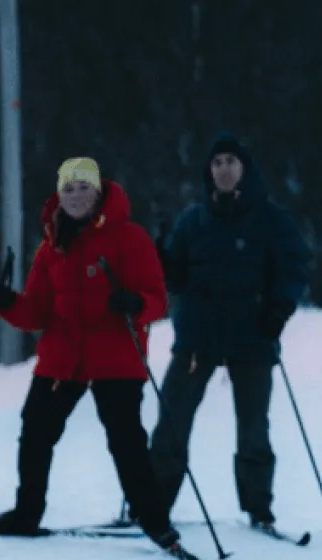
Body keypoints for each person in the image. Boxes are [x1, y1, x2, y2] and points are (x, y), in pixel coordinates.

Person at [0, 157, 194, 556]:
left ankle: (156, 524)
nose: (75, 196)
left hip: (116, 357)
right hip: (63, 357)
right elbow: (37, 313)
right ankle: (27, 514)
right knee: (36, 431)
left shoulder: (130, 238)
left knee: (126, 442)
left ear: (98, 192)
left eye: (83, 187)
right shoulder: (51, 246)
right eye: (68, 188)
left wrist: (135, 303)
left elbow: (157, 300)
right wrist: (7, 302)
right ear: (59, 195)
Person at [146, 134, 312, 528]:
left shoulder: (271, 219)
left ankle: (258, 508)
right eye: (217, 162)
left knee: (254, 427)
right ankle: (154, 502)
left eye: (231, 162)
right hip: (197, 338)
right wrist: (160, 256)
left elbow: (295, 266)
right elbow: (177, 277)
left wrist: (279, 308)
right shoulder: (194, 219)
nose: (223, 169)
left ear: (244, 169)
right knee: (172, 421)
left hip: (253, 335)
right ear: (210, 171)